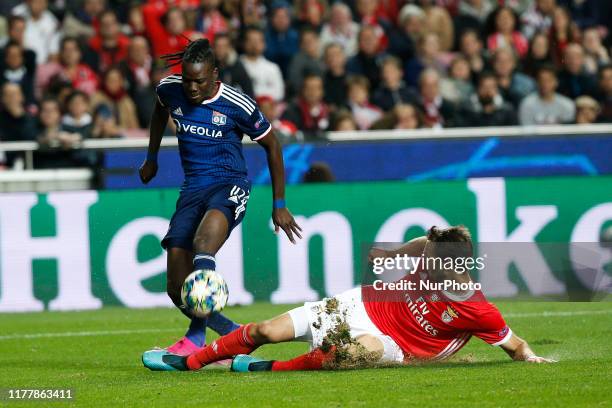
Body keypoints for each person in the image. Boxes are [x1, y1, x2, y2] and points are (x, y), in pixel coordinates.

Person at [142, 225, 556, 372]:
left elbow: (515, 345)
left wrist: (533, 359)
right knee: (268, 328)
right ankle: (192, 362)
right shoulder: (431, 251)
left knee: (356, 353)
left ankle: (265, 368)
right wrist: (394, 256)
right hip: (360, 304)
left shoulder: (477, 308)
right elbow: (419, 242)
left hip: (396, 345)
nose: (422, 264)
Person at [138, 39, 302, 357]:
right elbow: (160, 113)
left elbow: (273, 145)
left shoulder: (237, 104)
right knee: (175, 287)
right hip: (193, 189)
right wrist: (152, 157)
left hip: (230, 185)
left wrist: (279, 204)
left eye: (199, 80)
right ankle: (232, 333)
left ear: (215, 74)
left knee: (203, 244)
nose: (192, 87)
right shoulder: (169, 89)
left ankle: (197, 336)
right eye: (187, 80)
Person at [240, 26, 285, 101]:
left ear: (264, 44)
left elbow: (279, 93)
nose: (254, 45)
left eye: (257, 41)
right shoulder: (237, 65)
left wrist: (257, 95)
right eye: (250, 41)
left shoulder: (272, 68)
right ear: (244, 43)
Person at [282, 74, 329, 140]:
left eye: (316, 88)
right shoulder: (292, 111)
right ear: (303, 91)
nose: (312, 92)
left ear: (322, 91)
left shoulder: (328, 112)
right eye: (309, 88)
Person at [213, 33, 254, 98]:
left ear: (229, 48)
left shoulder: (237, 68)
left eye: (223, 46)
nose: (220, 50)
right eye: (217, 46)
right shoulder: (211, 66)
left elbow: (248, 92)